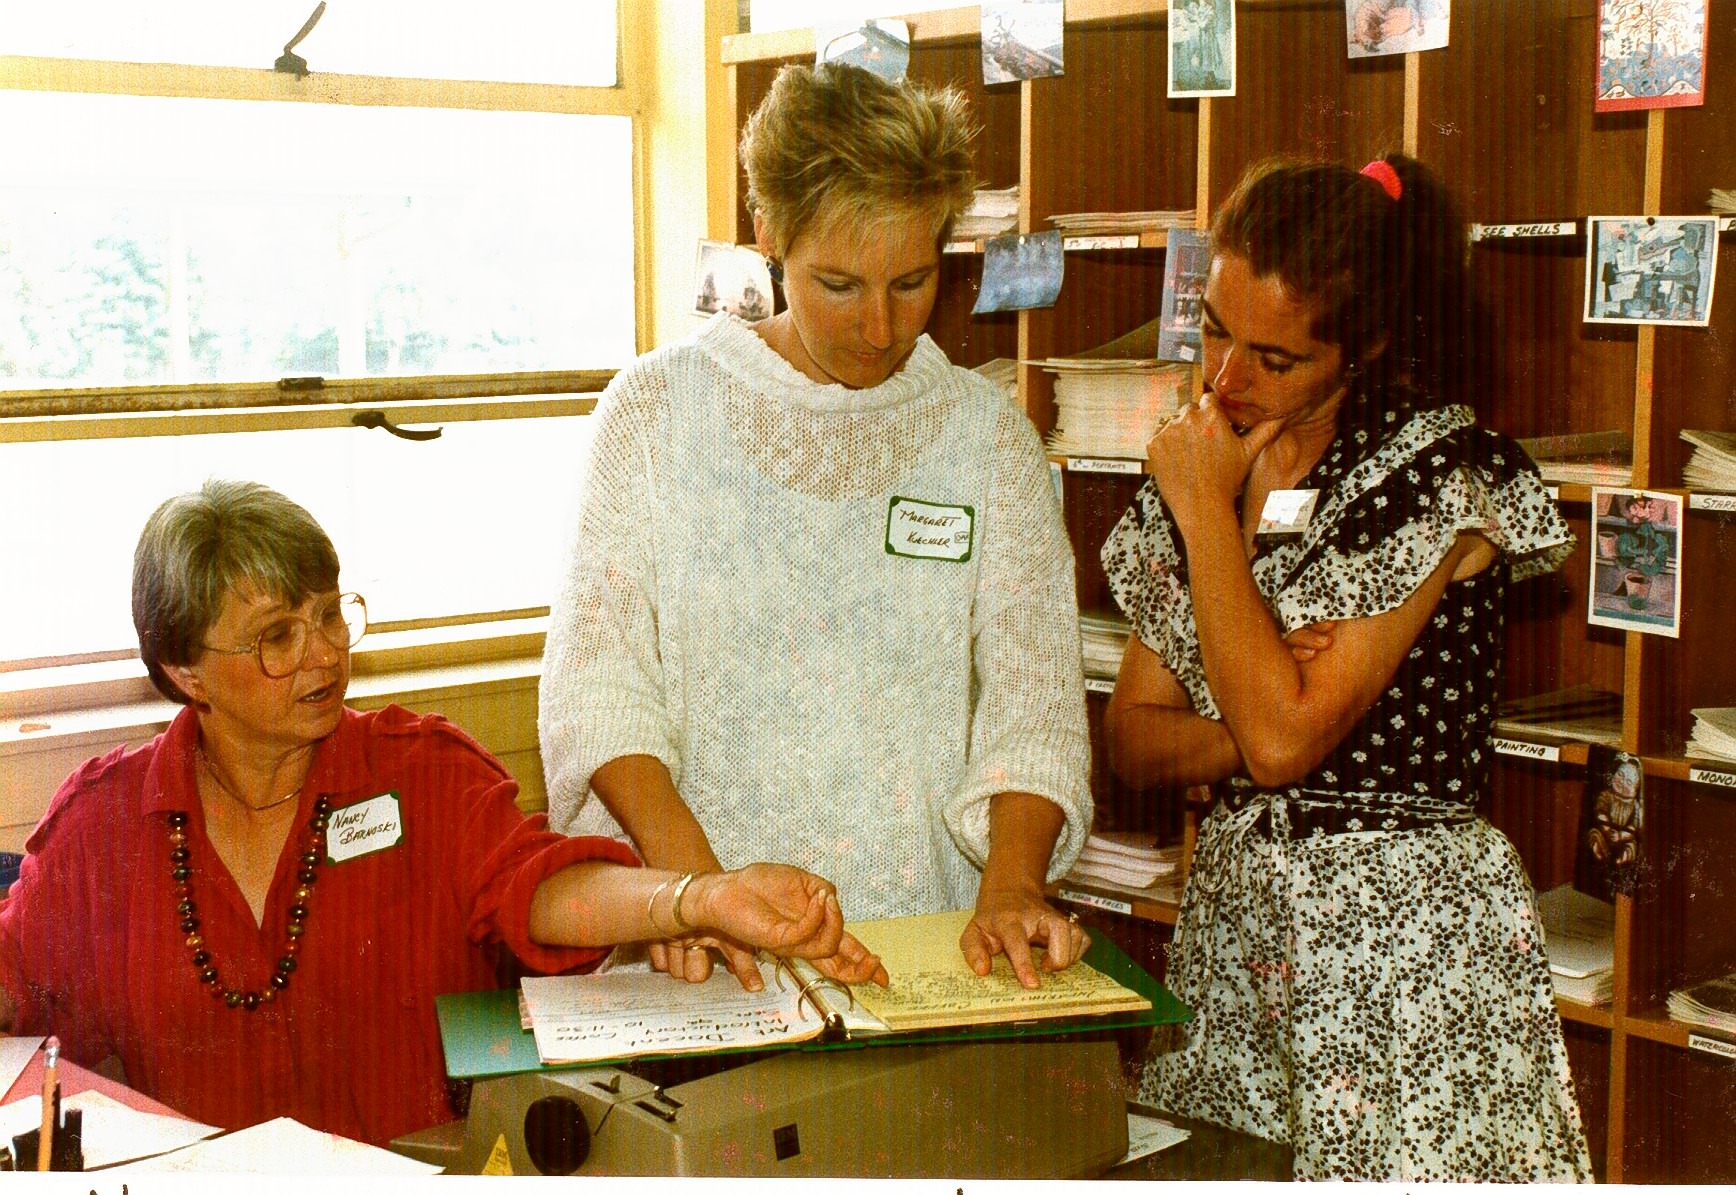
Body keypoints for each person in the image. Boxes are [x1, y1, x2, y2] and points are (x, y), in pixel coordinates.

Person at [0, 480, 884, 1148]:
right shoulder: (102, 831)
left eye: (329, 614)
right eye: (277, 635)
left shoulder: (417, 771)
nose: (324, 653)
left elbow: (540, 885)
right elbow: (13, 992)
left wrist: (697, 896)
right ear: (185, 671)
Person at [539, 62, 1092, 994]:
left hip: (925, 948)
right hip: (709, 949)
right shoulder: (656, 412)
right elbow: (598, 689)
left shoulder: (985, 435)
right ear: (769, 233)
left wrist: (1013, 881)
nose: (879, 327)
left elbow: (1033, 697)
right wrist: (700, 889)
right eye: (838, 283)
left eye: (912, 280)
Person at [1099, 155, 1592, 1180]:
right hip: (1239, 933)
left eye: (1272, 358)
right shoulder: (1203, 454)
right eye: (1216, 331)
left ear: (1362, 345)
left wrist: (1206, 523)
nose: (1226, 380)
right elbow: (1135, 741)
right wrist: (1259, 704)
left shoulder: (1434, 473)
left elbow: (1283, 747)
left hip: (1398, 946)